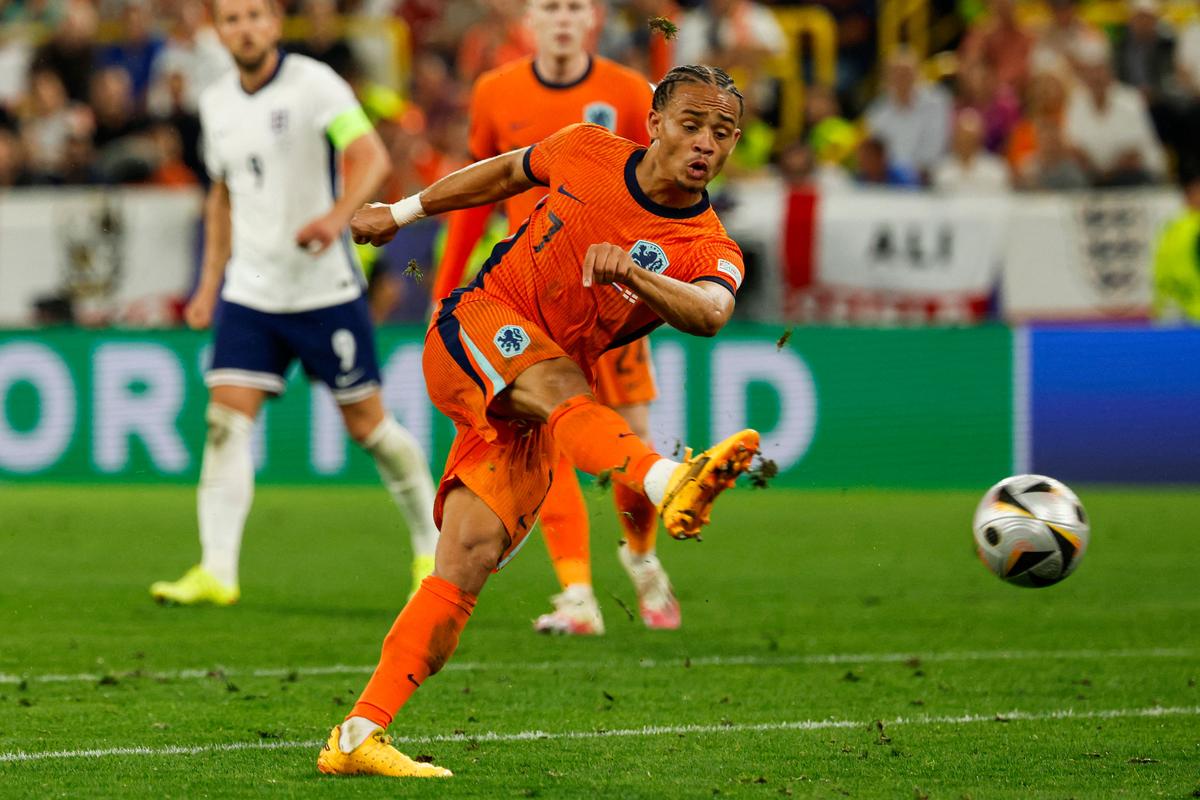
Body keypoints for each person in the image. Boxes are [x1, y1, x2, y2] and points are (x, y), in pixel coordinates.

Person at [317, 65, 759, 778]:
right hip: (479, 324)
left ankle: (357, 736)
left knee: (466, 560)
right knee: (563, 387)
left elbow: (710, 311)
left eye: (724, 132)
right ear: (653, 123)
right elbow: (502, 175)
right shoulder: (587, 147)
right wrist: (401, 215)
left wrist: (635, 275)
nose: (706, 142)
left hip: (523, 407)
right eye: (691, 123)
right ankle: (668, 479)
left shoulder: (710, 247)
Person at [149, 0, 441, 606]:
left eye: (255, 15)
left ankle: (429, 544)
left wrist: (337, 219)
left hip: (322, 290)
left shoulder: (313, 85)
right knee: (224, 423)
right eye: (232, 19)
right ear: (218, 31)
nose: (245, 28)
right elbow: (223, 197)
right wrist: (207, 286)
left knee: (369, 427)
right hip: (251, 291)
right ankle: (217, 571)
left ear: (275, 24)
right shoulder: (217, 102)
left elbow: (371, 156)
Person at [431, 0, 682, 636]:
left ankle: (642, 556)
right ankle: (577, 594)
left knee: (630, 437)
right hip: (527, 303)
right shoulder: (494, 93)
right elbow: (476, 191)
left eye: (576, 6)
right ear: (529, 20)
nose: (564, 18)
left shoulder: (628, 93)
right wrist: (445, 286)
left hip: (611, 299)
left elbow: (666, 185)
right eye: (551, 6)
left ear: (593, 18)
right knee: (554, 439)